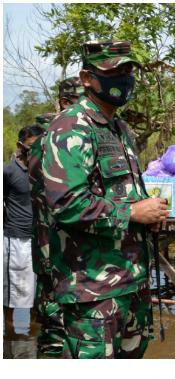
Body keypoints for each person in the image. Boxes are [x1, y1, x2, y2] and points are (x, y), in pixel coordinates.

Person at [41, 40, 167, 359]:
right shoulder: (71, 126)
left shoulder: (119, 128)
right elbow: (67, 203)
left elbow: (122, 192)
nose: (124, 78)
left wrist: (150, 211)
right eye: (114, 71)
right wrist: (133, 212)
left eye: (128, 70)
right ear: (87, 78)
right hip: (93, 290)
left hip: (131, 281)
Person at [28, 78, 85, 358]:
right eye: (81, 101)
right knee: (54, 327)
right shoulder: (48, 143)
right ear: (65, 103)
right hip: (52, 250)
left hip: (70, 252)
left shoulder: (73, 137)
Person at [4, 124, 43, 337]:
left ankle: (30, 332)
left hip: (40, 239)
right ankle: (11, 333)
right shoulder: (9, 171)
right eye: (31, 147)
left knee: (34, 289)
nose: (36, 152)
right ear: (21, 146)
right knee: (12, 291)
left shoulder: (45, 171)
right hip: (15, 239)